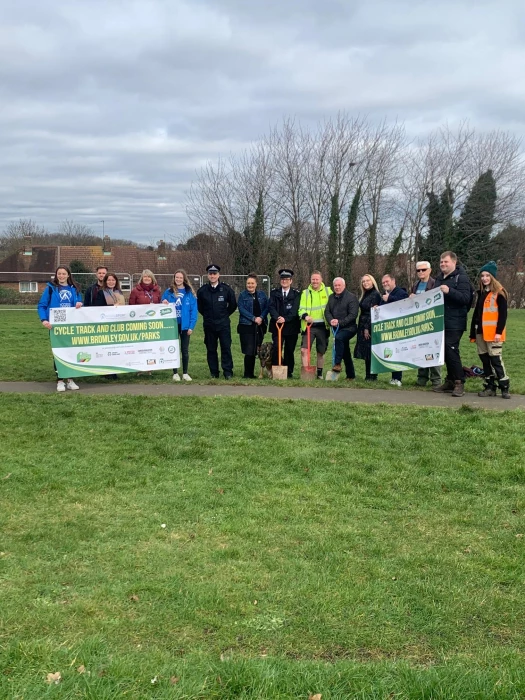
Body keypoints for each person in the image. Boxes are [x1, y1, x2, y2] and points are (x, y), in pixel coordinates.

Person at [432, 251, 473, 398]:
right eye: (441, 262)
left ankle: (459, 382)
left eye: (446, 262)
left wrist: (450, 291)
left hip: (455, 322)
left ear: (454, 262)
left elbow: (465, 298)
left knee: (451, 349)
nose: (443, 264)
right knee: (444, 351)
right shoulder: (438, 278)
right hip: (441, 320)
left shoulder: (461, 278)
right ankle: (449, 380)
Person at [37, 266, 83, 392]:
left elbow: (79, 302)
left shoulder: (75, 289)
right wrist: (44, 320)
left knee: (72, 352)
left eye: (64, 273)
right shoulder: (51, 289)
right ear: (56, 275)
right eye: (59, 273)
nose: (61, 276)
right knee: (59, 353)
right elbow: (42, 305)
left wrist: (80, 303)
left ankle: (70, 379)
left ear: (68, 275)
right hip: (56, 326)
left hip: (71, 326)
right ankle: (60, 380)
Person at [469, 261, 510, 399]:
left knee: (496, 360)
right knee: (485, 361)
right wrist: (472, 333)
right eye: (482, 276)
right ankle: (490, 385)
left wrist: (498, 332)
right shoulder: (481, 293)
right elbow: (477, 315)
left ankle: (504, 386)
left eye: (487, 275)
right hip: (481, 332)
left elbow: (503, 315)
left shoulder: (499, 293)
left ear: (493, 277)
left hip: (493, 334)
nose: (484, 278)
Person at [197, 264, 237, 379]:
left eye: (215, 274)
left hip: (223, 324)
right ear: (208, 275)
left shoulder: (226, 289)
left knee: (226, 348)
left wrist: (224, 315)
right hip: (209, 324)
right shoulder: (202, 291)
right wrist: (208, 316)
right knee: (211, 349)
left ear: (218, 275)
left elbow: (233, 304)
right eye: (210, 274)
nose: (212, 276)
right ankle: (214, 372)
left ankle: (228, 372)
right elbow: (200, 307)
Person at [161, 269, 198, 382]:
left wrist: (191, 326)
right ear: (174, 278)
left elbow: (194, 311)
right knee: (174, 349)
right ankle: (175, 373)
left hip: (185, 325)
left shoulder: (189, 292)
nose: (178, 279)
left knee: (184, 350)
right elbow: (162, 301)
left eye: (180, 278)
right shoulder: (169, 291)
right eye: (176, 277)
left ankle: (185, 373)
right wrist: (163, 302)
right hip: (173, 325)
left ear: (184, 279)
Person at [410, 261, 441, 388]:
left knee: (433, 350)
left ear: (429, 270)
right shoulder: (416, 285)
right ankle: (422, 378)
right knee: (420, 350)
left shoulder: (435, 284)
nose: (421, 272)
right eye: (418, 270)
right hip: (418, 322)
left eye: (423, 270)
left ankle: (436, 380)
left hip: (432, 322)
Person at [298, 271, 332, 379]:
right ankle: (306, 373)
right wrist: (305, 316)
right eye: (313, 279)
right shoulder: (305, 293)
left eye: (317, 279)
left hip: (323, 326)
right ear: (310, 280)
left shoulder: (328, 291)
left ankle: (320, 374)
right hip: (309, 326)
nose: (315, 281)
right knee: (304, 350)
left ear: (321, 280)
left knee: (320, 352)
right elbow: (301, 308)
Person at [324, 277, 359, 380]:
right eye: (335, 285)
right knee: (345, 351)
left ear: (344, 286)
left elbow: (353, 315)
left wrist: (340, 322)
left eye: (339, 285)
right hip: (336, 328)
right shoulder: (331, 297)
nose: (337, 287)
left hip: (349, 328)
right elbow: (327, 311)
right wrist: (331, 321)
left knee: (339, 338)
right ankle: (351, 375)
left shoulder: (351, 297)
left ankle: (337, 364)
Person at [268, 269, 301, 378]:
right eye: (282, 279)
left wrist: (285, 319)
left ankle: (288, 371)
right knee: (277, 347)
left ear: (291, 281)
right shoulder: (274, 293)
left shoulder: (296, 294)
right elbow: (271, 307)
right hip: (277, 326)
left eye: (287, 279)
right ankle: (276, 369)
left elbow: (295, 310)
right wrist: (277, 317)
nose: (284, 281)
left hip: (291, 327)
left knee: (289, 350)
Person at [237, 274, 269, 379]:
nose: (250, 285)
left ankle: (259, 373)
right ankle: (248, 374)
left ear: (256, 284)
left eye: (252, 283)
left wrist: (261, 317)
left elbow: (266, 307)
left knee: (257, 350)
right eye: (248, 283)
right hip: (247, 326)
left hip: (260, 326)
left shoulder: (262, 295)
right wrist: (253, 318)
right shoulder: (242, 295)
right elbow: (241, 309)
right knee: (249, 350)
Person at [380, 274, 409, 386]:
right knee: (391, 352)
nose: (385, 284)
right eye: (383, 283)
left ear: (393, 280)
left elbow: (405, 302)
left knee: (398, 352)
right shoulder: (386, 294)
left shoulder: (400, 292)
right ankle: (394, 377)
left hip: (399, 327)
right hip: (389, 328)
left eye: (387, 281)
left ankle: (398, 378)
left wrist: (390, 299)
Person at [354, 274, 381, 381]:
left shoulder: (375, 294)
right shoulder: (365, 294)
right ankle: (368, 375)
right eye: (363, 281)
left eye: (367, 281)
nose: (365, 283)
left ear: (372, 281)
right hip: (362, 322)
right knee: (366, 351)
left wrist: (367, 328)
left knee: (370, 351)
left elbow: (373, 312)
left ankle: (373, 375)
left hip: (369, 324)